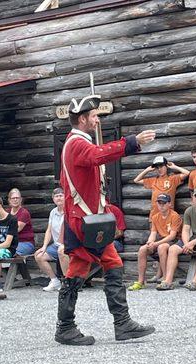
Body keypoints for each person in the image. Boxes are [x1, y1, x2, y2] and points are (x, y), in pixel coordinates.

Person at [55, 94, 156, 346]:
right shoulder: (78, 144)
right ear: (82, 119)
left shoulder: (76, 142)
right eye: (94, 116)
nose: (97, 120)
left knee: (97, 266)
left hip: (89, 219)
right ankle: (77, 326)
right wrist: (131, 142)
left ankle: (114, 324)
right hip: (86, 220)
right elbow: (97, 155)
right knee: (99, 266)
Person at [157, 186, 196, 291]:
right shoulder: (189, 211)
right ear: (192, 197)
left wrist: (192, 243)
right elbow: (186, 230)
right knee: (173, 249)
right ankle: (168, 281)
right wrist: (187, 243)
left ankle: (195, 282)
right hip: (193, 238)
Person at [128, 194, 182, 291]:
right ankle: (141, 281)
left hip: (173, 242)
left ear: (169, 204)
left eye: (164, 203)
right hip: (160, 241)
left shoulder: (175, 216)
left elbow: (172, 236)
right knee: (142, 249)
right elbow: (153, 233)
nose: (161, 205)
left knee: (162, 247)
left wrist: (156, 244)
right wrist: (150, 242)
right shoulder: (155, 217)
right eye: (159, 203)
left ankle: (166, 280)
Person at [34, 187, 64, 292]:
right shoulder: (53, 212)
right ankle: (55, 281)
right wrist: (44, 246)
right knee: (39, 256)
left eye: (61, 195)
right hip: (56, 245)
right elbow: (49, 230)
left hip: (68, 245)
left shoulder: (69, 211)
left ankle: (68, 282)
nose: (59, 198)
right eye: (56, 196)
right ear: (53, 199)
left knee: (64, 252)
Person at [7, 188, 35, 256]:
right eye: (13, 198)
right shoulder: (7, 212)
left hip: (25, 243)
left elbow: (16, 229)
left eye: (17, 198)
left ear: (21, 199)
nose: (15, 200)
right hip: (10, 242)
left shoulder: (24, 213)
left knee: (10, 253)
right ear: (9, 200)